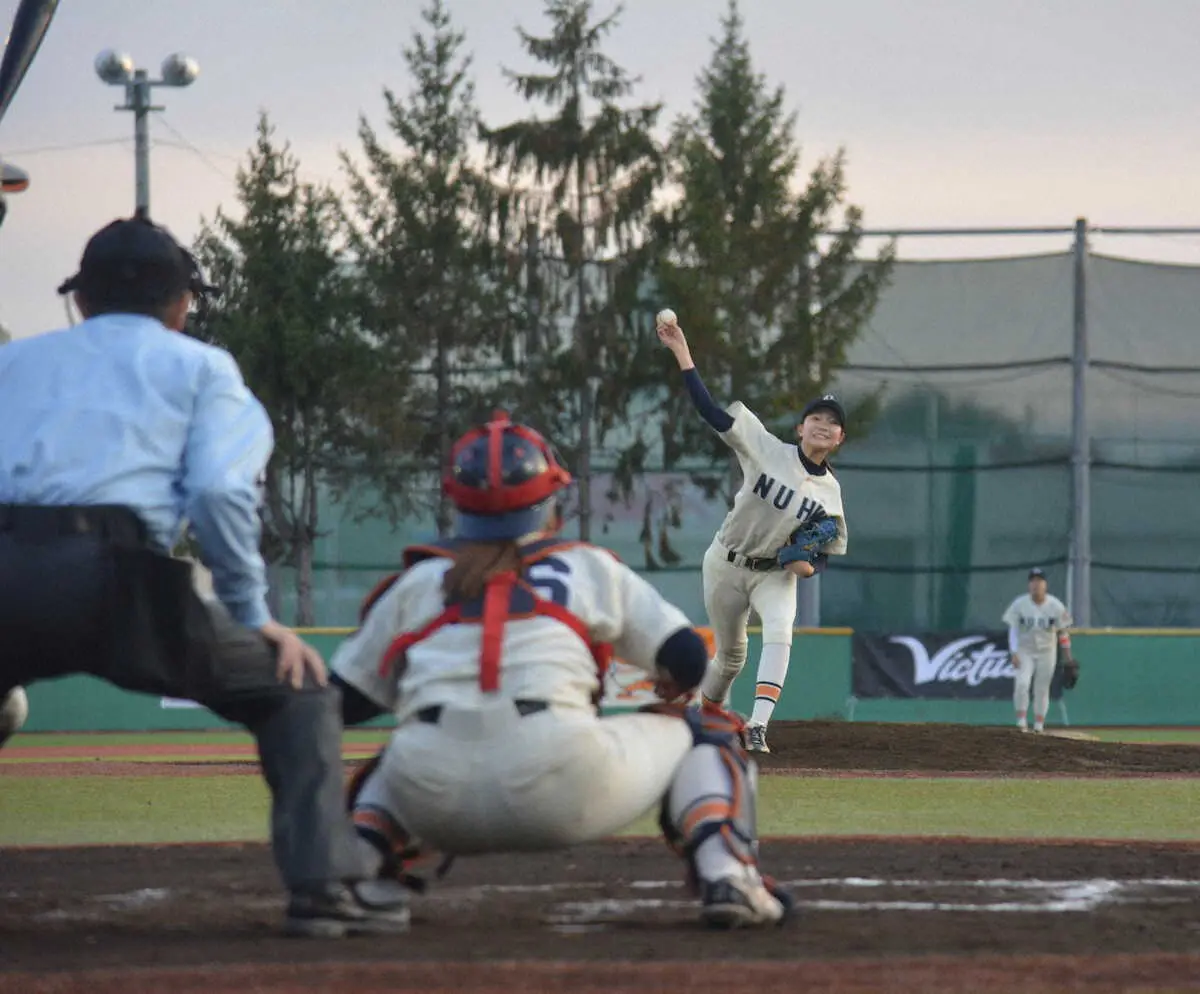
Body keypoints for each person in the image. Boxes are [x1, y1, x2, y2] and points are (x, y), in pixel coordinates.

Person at [0, 213, 407, 937]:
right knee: (298, 695)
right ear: (183, 303)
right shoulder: (202, 368)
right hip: (119, 579)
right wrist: (254, 615)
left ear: (81, 300)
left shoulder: (14, 363)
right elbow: (221, 492)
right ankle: (326, 890)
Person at [328, 411, 791, 929]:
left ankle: (362, 883)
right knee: (711, 730)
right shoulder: (584, 565)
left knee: (393, 761)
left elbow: (343, 703)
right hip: (563, 780)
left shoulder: (417, 581)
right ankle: (727, 874)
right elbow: (687, 659)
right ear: (550, 499)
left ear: (456, 501)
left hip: (431, 794)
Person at [656, 315, 848, 754]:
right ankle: (709, 716)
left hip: (772, 574)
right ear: (800, 428)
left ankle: (757, 725)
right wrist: (682, 353)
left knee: (782, 629)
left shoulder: (831, 495)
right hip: (726, 561)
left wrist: (807, 563)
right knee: (729, 659)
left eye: (831, 422)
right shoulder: (765, 448)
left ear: (839, 438)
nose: (821, 424)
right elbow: (710, 412)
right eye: (814, 417)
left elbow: (819, 554)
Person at [1003, 567, 1073, 733]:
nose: (1036, 584)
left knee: (1042, 687)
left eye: (1039, 581)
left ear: (1045, 585)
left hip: (1047, 651)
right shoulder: (1019, 604)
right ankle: (1021, 722)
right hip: (1024, 649)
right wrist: (1013, 652)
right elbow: (1013, 629)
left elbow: (1063, 631)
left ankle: (1039, 724)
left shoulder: (1055, 605)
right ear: (1029, 585)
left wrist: (1068, 656)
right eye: (1033, 581)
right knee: (1022, 684)